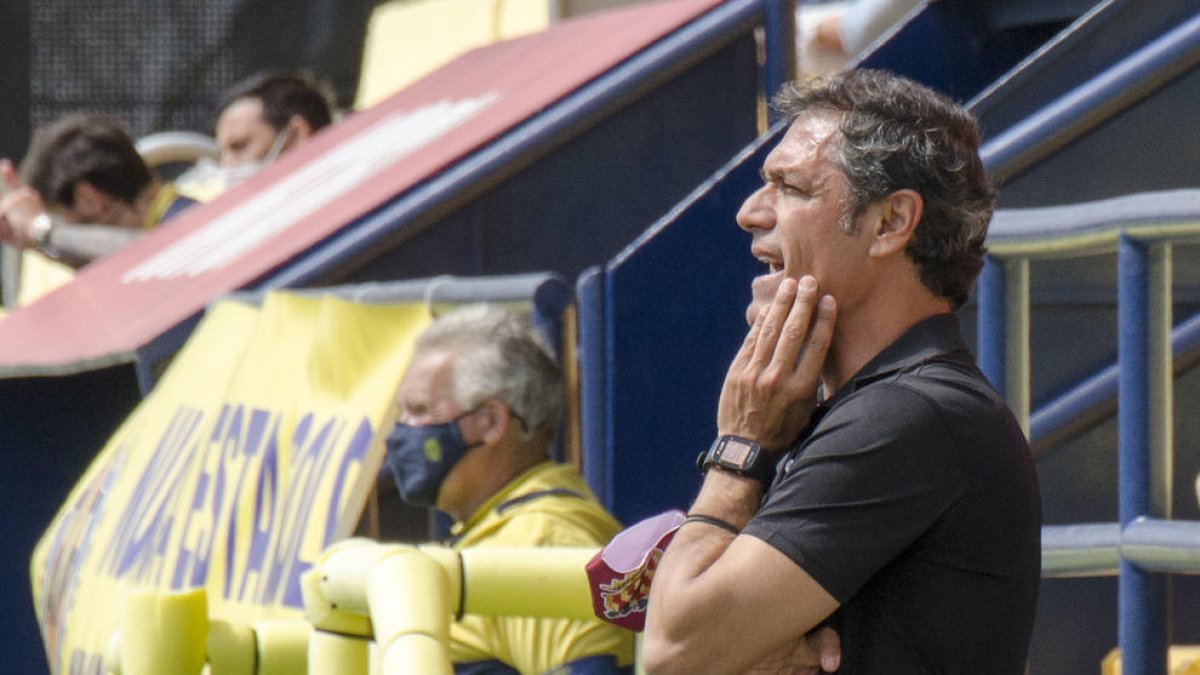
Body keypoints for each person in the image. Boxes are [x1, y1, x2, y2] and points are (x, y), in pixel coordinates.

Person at [641, 69, 1041, 674]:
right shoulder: (866, 408)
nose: (750, 213)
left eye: (792, 187)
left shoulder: (911, 415)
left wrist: (739, 450)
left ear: (890, 223)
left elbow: (676, 650)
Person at [384, 304, 635, 675]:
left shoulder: (544, 539)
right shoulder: (500, 530)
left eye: (419, 410)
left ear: (492, 421)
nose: (402, 431)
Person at [0, 113, 197, 275]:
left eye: (60, 220)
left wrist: (42, 229)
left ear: (90, 200)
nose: (62, 237)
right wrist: (36, 242)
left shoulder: (191, 226)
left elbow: (151, 258)